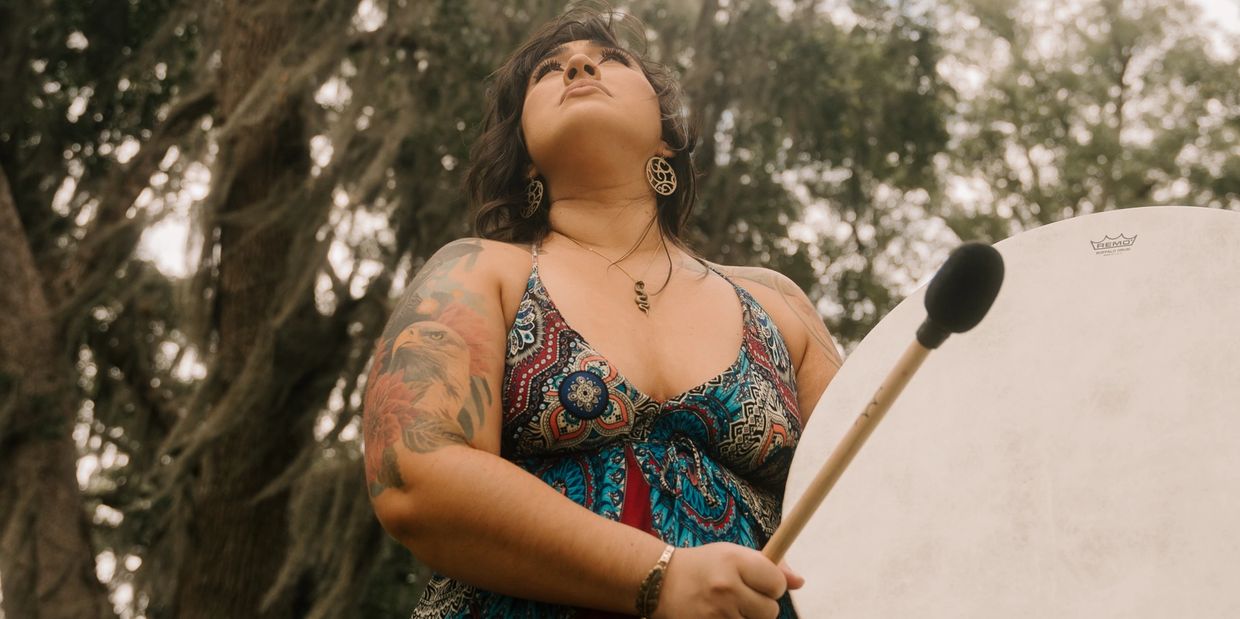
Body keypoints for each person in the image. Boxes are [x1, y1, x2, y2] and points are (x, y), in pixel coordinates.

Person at [363, 6, 843, 618]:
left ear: (666, 136)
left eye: (609, 60)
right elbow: (412, 475)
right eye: (549, 71)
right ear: (526, 155)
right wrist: (659, 577)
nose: (579, 67)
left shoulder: (777, 302)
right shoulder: (478, 272)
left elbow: (870, 490)